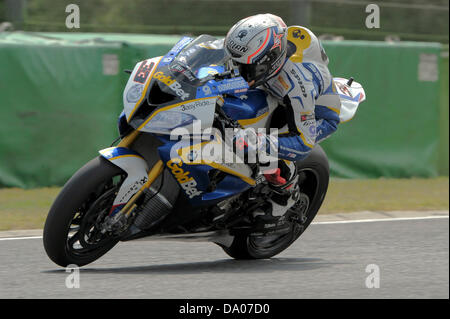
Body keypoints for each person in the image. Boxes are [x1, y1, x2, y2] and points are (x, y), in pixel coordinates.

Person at [224, 13, 341, 192]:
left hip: (317, 115)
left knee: (270, 158)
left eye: (246, 68)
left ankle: (283, 198)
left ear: (270, 61)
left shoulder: (297, 84)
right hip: (276, 93)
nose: (238, 71)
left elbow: (303, 142)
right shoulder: (256, 52)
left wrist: (258, 143)